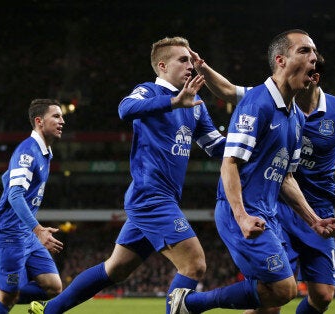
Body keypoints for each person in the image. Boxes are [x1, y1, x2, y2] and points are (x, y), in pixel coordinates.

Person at [29, 36, 226, 314]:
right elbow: (125, 109)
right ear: (162, 66)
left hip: (163, 198)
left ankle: (47, 311)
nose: (190, 66)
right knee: (194, 264)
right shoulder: (149, 92)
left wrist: (252, 140)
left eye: (191, 60)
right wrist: (173, 102)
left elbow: (216, 146)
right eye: (183, 60)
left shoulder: (196, 105)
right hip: (151, 197)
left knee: (116, 269)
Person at [193, 51, 335, 314]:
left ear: (314, 78)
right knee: (274, 296)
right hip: (278, 205)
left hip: (317, 207)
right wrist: (203, 68)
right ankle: (194, 304)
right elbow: (230, 90)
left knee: (322, 296)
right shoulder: (272, 99)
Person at [168, 29, 335, 314]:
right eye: (304, 51)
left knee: (270, 299)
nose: (314, 59)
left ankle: (186, 305)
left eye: (315, 53)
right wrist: (242, 217)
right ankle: (189, 304)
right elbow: (230, 163)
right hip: (242, 212)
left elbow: (286, 178)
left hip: (268, 214)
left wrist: (314, 220)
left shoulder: (297, 118)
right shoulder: (256, 103)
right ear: (280, 60)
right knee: (285, 289)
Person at [0, 99, 66, 314]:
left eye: (62, 116)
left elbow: (7, 179)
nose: (62, 121)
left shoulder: (45, 152)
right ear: (39, 121)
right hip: (9, 234)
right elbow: (14, 194)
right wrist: (39, 229)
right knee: (8, 299)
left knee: (53, 286)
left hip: (26, 234)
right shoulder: (28, 151)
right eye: (57, 116)